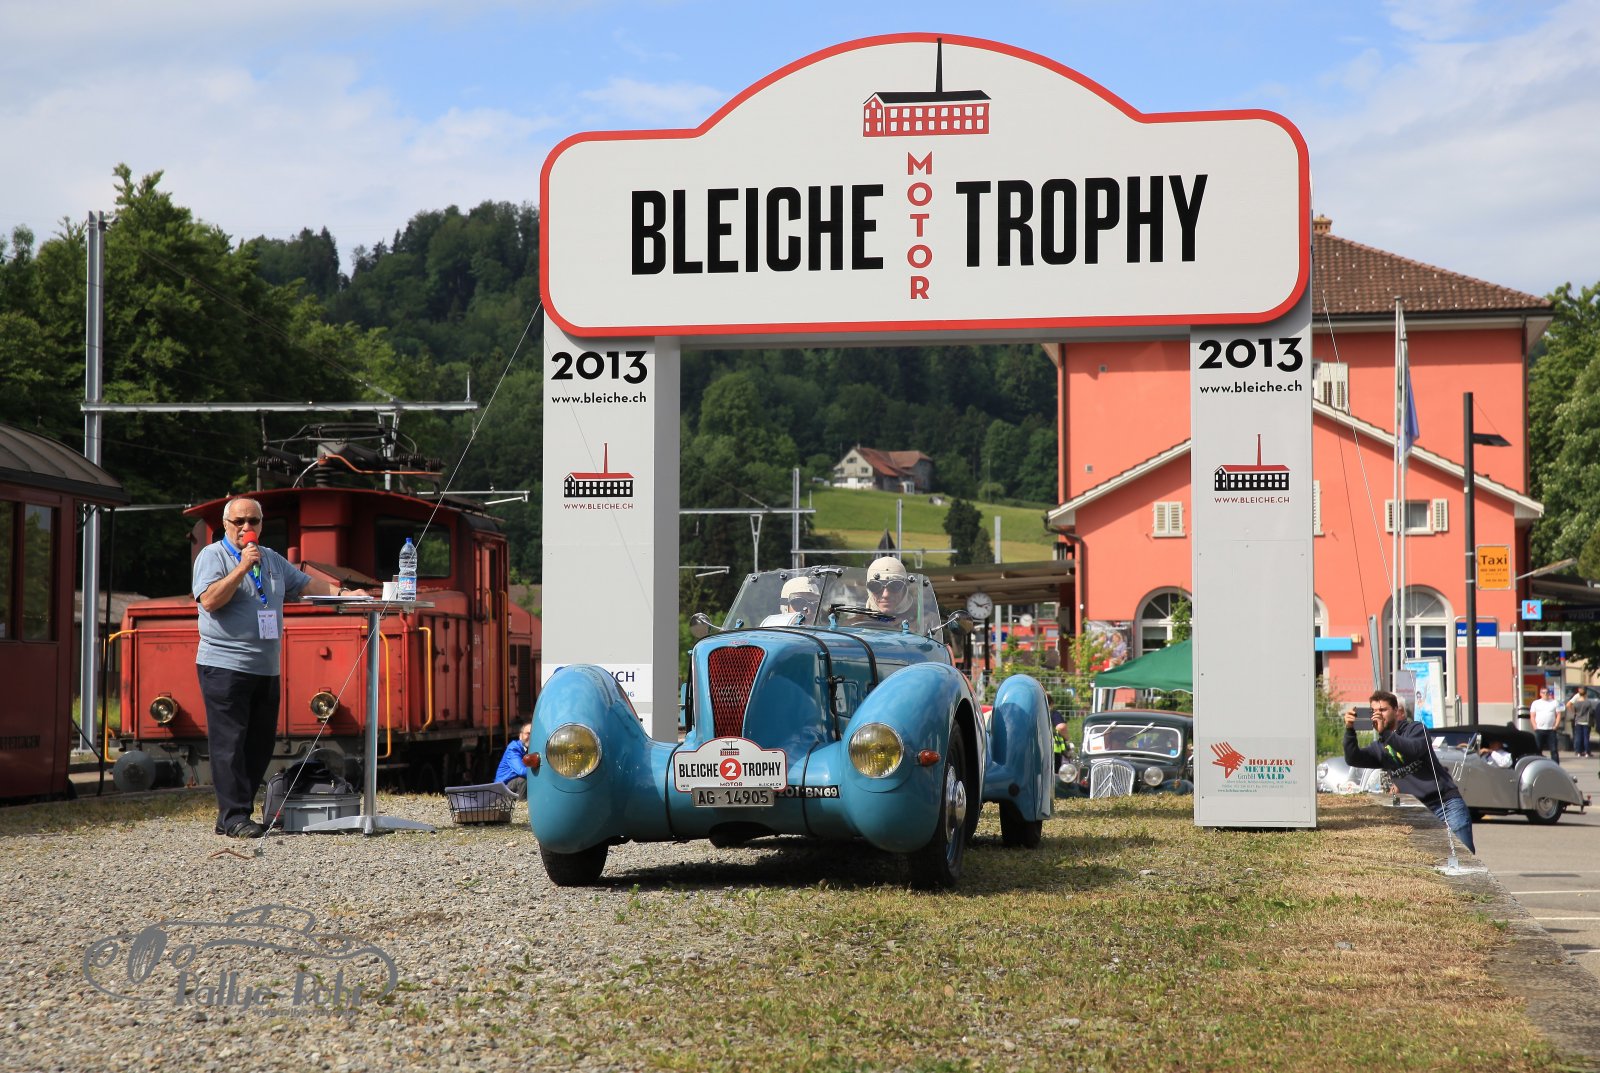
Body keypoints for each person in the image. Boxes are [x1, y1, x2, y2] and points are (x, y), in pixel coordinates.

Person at [194, 497, 352, 838]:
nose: (246, 528)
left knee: (259, 744)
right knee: (229, 744)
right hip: (224, 666)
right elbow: (209, 600)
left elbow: (306, 584)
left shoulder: (271, 559)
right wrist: (241, 567)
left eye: (253, 521)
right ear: (226, 525)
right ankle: (234, 816)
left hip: (265, 668)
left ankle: (234, 814)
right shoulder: (212, 556)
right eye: (239, 521)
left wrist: (346, 594)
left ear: (262, 524)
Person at [1343, 690, 1475, 853]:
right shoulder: (1379, 747)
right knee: (1436, 858)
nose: (1378, 715)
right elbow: (1353, 759)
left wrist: (1385, 733)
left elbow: (1412, 749)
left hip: (1445, 805)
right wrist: (1349, 730)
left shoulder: (1416, 729)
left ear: (1396, 710)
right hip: (1418, 810)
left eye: (1383, 710)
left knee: (1464, 856)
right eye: (1374, 711)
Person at [865, 555, 915, 623]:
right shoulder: (854, 621)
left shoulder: (922, 621)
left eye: (894, 585)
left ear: (905, 588)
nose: (885, 595)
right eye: (875, 586)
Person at [496, 722, 533, 798]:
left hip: (511, 786)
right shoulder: (513, 749)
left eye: (533, 734)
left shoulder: (531, 749)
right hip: (501, 790)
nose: (531, 737)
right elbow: (521, 771)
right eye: (528, 734)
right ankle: (521, 804)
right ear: (520, 736)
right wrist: (541, 774)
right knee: (522, 780)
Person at [1530, 685, 1563, 763]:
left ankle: (1555, 766)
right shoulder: (1535, 703)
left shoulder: (1554, 702)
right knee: (1538, 749)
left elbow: (1558, 715)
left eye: (1547, 692)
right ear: (1540, 694)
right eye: (1543, 692)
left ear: (1549, 693)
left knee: (1554, 750)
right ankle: (1537, 764)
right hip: (1539, 730)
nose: (1545, 694)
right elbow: (1532, 716)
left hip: (1551, 730)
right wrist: (1535, 727)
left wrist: (1556, 726)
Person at [1564, 686, 1595, 759]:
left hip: (1578, 721)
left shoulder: (1576, 703)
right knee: (1586, 737)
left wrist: (1575, 713)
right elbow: (1591, 711)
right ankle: (1587, 751)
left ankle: (1578, 751)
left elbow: (1572, 707)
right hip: (1586, 721)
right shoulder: (1588, 702)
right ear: (1585, 693)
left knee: (1578, 737)